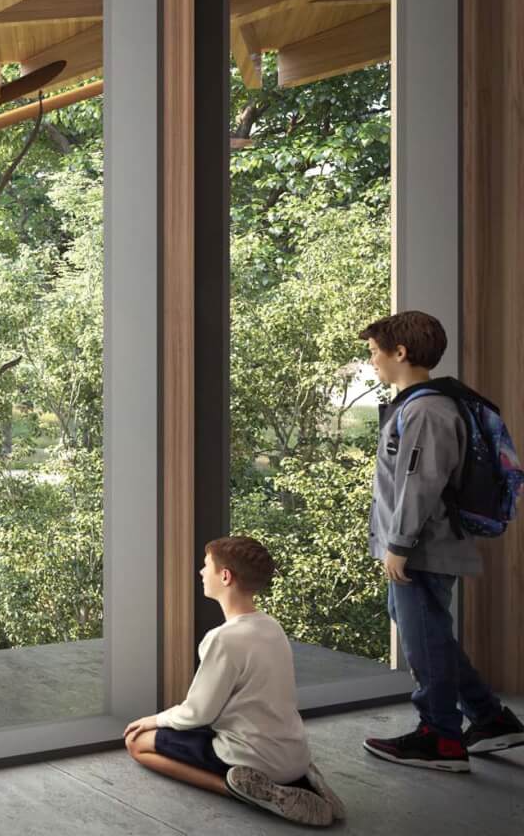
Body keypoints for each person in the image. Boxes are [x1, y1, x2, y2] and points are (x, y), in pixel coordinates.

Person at [358, 311, 524, 771]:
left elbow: (420, 482)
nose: (372, 361)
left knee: (423, 637)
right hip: (425, 543)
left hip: (423, 546)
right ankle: (491, 719)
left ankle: (441, 737)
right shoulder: (424, 404)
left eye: (374, 352)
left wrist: (400, 544)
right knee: (427, 632)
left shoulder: (427, 410)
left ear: (401, 352)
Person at [124, 537, 342, 827]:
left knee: (136, 742)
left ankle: (239, 790)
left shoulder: (224, 639)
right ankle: (304, 781)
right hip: (294, 755)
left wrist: (155, 719)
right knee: (209, 732)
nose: (201, 573)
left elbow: (198, 713)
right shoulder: (271, 626)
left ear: (225, 576)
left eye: (206, 566)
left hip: (250, 757)